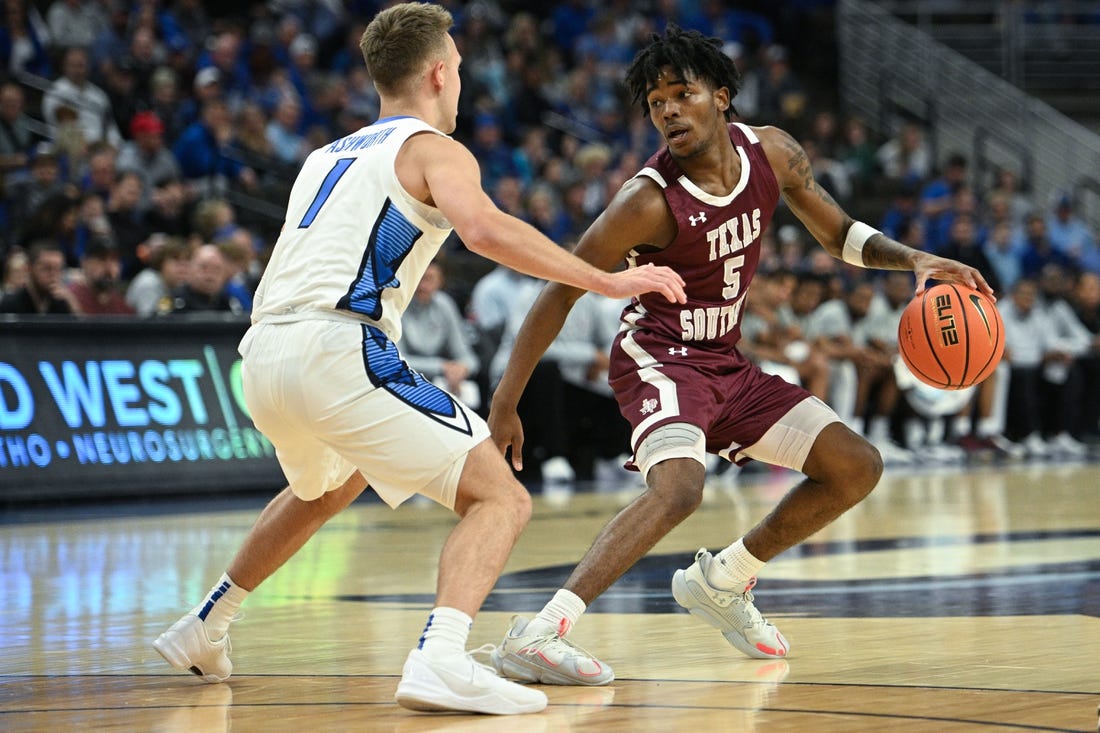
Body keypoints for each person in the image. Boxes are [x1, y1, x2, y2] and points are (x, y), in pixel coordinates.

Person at [152, 2, 684, 717]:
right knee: (501, 498)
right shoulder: (433, 148)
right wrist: (607, 278)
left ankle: (205, 624)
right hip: (338, 347)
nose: (461, 83)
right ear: (439, 72)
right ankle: (441, 657)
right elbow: (485, 228)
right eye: (459, 69)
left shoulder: (324, 156)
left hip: (263, 356)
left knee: (327, 486)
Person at [485, 25, 991, 685]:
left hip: (727, 358)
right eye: (655, 102)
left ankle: (723, 580)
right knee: (680, 489)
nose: (667, 109)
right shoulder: (645, 201)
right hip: (659, 355)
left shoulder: (773, 153)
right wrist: (504, 398)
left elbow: (837, 232)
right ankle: (538, 630)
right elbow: (559, 292)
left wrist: (915, 258)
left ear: (722, 97)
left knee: (856, 466)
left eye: (681, 93)